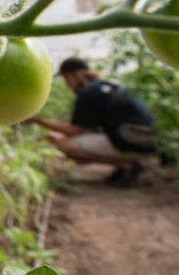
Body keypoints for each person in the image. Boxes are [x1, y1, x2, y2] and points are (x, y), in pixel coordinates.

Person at [25, 57, 156, 187]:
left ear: (76, 75)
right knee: (66, 139)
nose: (66, 83)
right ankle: (126, 166)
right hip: (145, 141)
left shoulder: (89, 92)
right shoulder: (108, 86)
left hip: (132, 141)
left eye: (66, 78)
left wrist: (38, 121)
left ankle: (127, 165)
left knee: (64, 145)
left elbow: (76, 130)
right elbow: (90, 129)